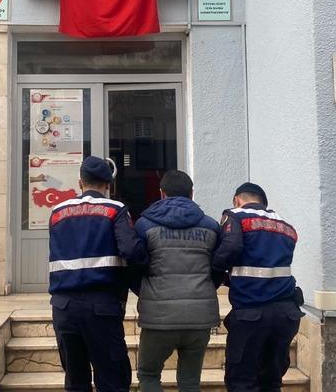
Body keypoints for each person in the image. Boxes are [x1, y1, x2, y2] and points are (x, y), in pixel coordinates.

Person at [48, 156, 149, 392]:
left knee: (75, 381)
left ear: (80, 182)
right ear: (108, 185)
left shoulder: (57, 211)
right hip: (101, 306)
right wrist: (146, 271)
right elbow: (131, 249)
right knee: (112, 380)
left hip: (63, 307)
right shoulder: (115, 209)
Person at [134, 170, 222, 392]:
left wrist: (145, 291)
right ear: (192, 194)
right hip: (199, 318)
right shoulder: (211, 226)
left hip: (158, 318)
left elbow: (135, 265)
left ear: (162, 194)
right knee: (190, 382)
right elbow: (218, 266)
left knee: (148, 375)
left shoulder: (144, 225)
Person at [212, 182, 304, 392]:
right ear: (264, 202)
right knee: (271, 381)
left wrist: (214, 273)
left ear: (237, 200)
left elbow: (230, 248)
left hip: (251, 314)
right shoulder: (285, 226)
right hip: (286, 315)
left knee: (242, 381)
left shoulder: (235, 216)